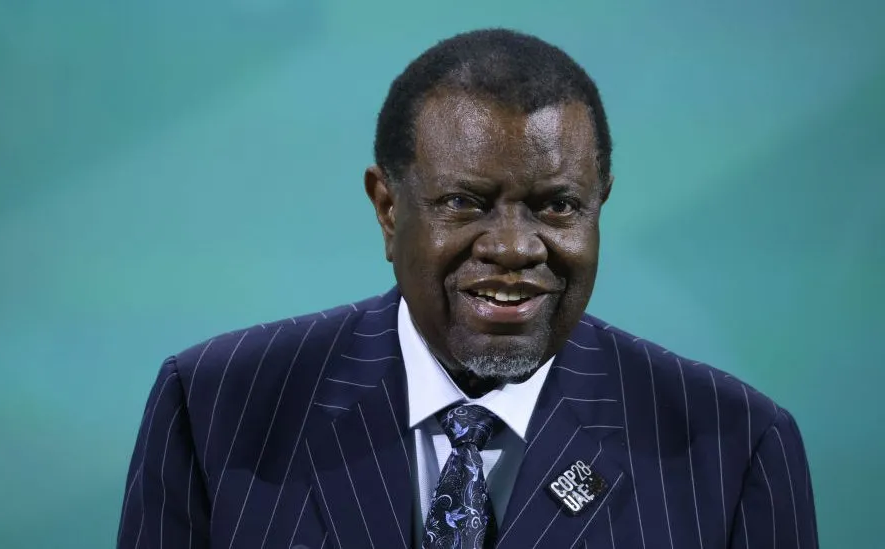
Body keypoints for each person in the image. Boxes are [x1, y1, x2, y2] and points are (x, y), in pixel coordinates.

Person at [117, 28, 818, 549]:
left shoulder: (733, 448)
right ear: (388, 209)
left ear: (599, 204)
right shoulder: (215, 408)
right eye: (464, 202)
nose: (513, 248)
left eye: (558, 206)